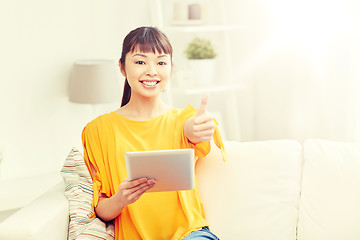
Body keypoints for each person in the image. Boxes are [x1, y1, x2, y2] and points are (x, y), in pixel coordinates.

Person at [82, 26, 227, 240]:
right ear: (122, 67)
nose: (152, 71)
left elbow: (192, 129)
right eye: (140, 62)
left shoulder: (183, 120)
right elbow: (102, 209)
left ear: (170, 67)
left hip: (189, 234)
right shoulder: (98, 130)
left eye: (161, 62)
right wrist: (121, 198)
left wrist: (198, 128)